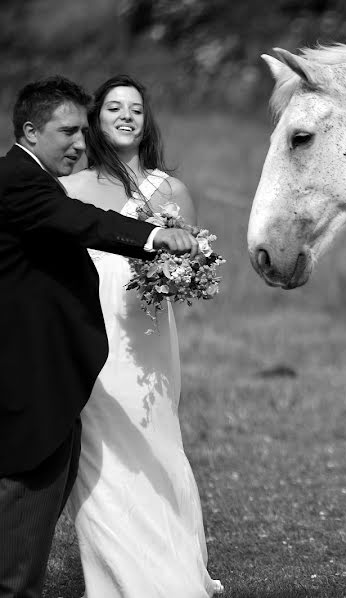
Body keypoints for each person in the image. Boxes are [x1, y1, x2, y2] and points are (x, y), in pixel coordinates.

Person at [0, 76, 198, 598]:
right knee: (20, 530)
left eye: (83, 133)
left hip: (64, 367)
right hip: (32, 375)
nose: (79, 142)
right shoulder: (20, 180)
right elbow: (80, 220)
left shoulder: (29, 177)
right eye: (68, 131)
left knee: (33, 516)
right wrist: (153, 235)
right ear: (30, 130)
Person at [61, 74, 223, 597]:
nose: (126, 116)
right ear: (95, 120)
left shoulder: (170, 190)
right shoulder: (69, 189)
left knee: (157, 440)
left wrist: (174, 274)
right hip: (89, 329)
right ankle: (112, 579)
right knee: (99, 448)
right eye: (113, 108)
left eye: (135, 108)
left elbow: (198, 266)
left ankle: (172, 565)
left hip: (147, 333)